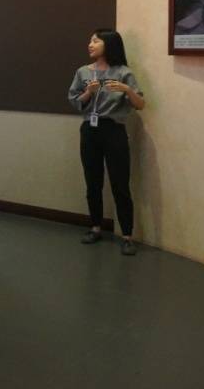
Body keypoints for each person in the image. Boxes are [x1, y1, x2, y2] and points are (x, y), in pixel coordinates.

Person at [68, 29, 145, 256]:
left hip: (114, 130)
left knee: (120, 183)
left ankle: (127, 236)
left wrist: (127, 89)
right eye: (90, 40)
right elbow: (74, 101)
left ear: (109, 44)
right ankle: (95, 227)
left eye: (95, 41)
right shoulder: (83, 72)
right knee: (93, 182)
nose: (90, 44)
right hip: (90, 130)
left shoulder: (123, 72)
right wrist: (88, 93)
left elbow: (140, 104)